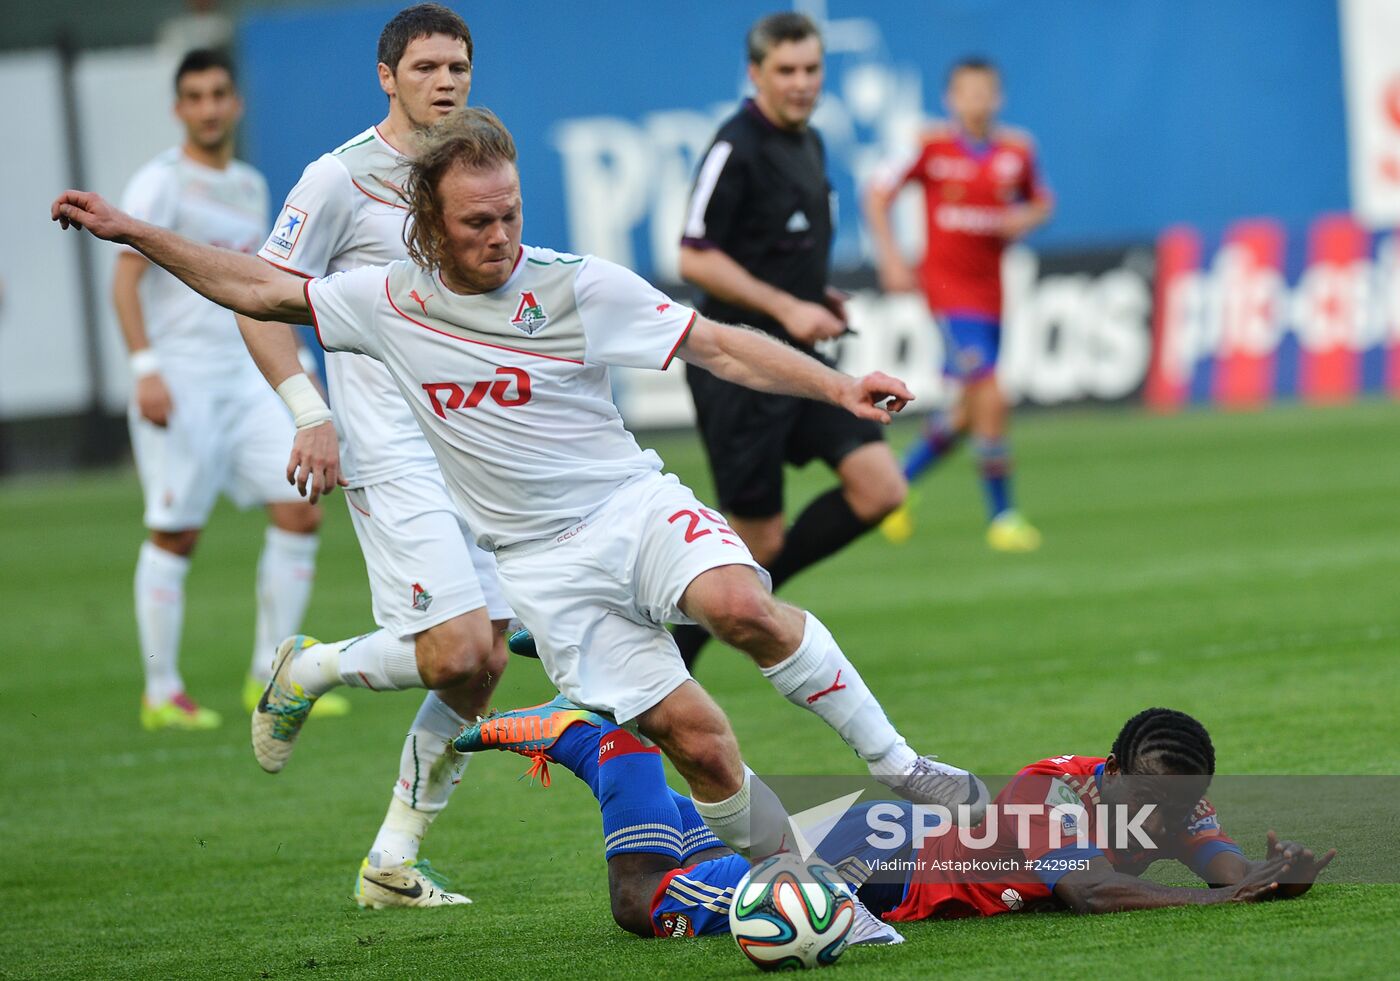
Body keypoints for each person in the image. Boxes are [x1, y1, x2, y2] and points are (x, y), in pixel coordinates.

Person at [53, 107, 990, 863]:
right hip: (541, 565)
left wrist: (836, 383)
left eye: (511, 213)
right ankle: (790, 885)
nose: (501, 235)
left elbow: (712, 342)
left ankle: (901, 765)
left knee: (741, 602)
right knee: (701, 745)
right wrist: (133, 231)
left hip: (633, 506)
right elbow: (256, 288)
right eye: (477, 221)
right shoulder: (386, 303)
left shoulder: (577, 286)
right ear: (429, 223)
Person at [233, 4, 510, 908]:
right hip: (389, 450)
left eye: (458, 67)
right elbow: (256, 299)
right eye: (427, 66)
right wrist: (310, 412)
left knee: (483, 660)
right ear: (387, 76)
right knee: (453, 651)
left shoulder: (472, 166)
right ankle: (310, 668)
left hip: (473, 446)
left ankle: (392, 860)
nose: (446, 81)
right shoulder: (339, 178)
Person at [458, 701, 1335, 936]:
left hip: (868, 835)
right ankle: (602, 743)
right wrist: (1224, 904)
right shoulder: (1052, 801)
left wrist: (1274, 874)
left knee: (692, 837)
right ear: (1109, 774)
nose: (1164, 821)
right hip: (869, 873)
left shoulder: (1166, 792)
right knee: (638, 899)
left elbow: (1225, 861)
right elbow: (1095, 896)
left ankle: (605, 714)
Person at [673, 12, 908, 669]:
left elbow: (780, 245)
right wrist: (783, 305)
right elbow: (695, 257)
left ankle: (734, 607)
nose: (801, 83)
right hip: (740, 367)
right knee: (758, 538)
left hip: (802, 362)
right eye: (786, 71)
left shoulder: (809, 142)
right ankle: (676, 641)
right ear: (756, 73)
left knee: (880, 487)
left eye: (811, 69)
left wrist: (816, 297)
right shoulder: (736, 146)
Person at [112, 49, 324, 732]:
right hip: (181, 378)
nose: (208, 107)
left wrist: (305, 373)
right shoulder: (160, 183)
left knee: (300, 509)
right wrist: (145, 367)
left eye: (218, 94)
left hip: (244, 374)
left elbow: (258, 286)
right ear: (180, 109)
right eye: (195, 96)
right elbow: (124, 279)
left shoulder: (251, 185)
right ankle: (161, 689)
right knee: (175, 531)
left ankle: (270, 676)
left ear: (235, 104)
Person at [865, 57, 1054, 552]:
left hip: (992, 296)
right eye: (967, 92)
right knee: (991, 393)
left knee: (969, 413)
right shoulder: (929, 146)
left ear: (999, 98)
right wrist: (891, 257)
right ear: (951, 99)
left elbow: (1041, 201)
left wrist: (1025, 219)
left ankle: (894, 489)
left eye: (986, 92)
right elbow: (877, 192)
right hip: (947, 293)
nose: (977, 101)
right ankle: (1003, 516)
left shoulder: (1016, 151)